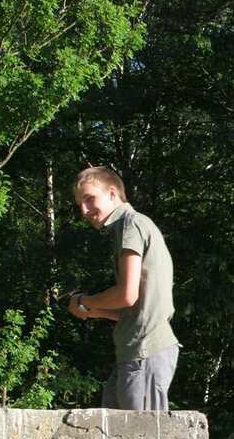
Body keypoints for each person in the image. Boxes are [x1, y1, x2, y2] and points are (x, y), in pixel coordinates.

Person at [68, 167, 180, 410]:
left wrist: (85, 302)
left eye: (89, 199)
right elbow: (136, 310)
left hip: (145, 353)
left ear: (112, 193)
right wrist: (94, 311)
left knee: (143, 433)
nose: (84, 210)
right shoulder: (129, 226)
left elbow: (127, 295)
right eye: (80, 204)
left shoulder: (131, 224)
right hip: (136, 354)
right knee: (114, 430)